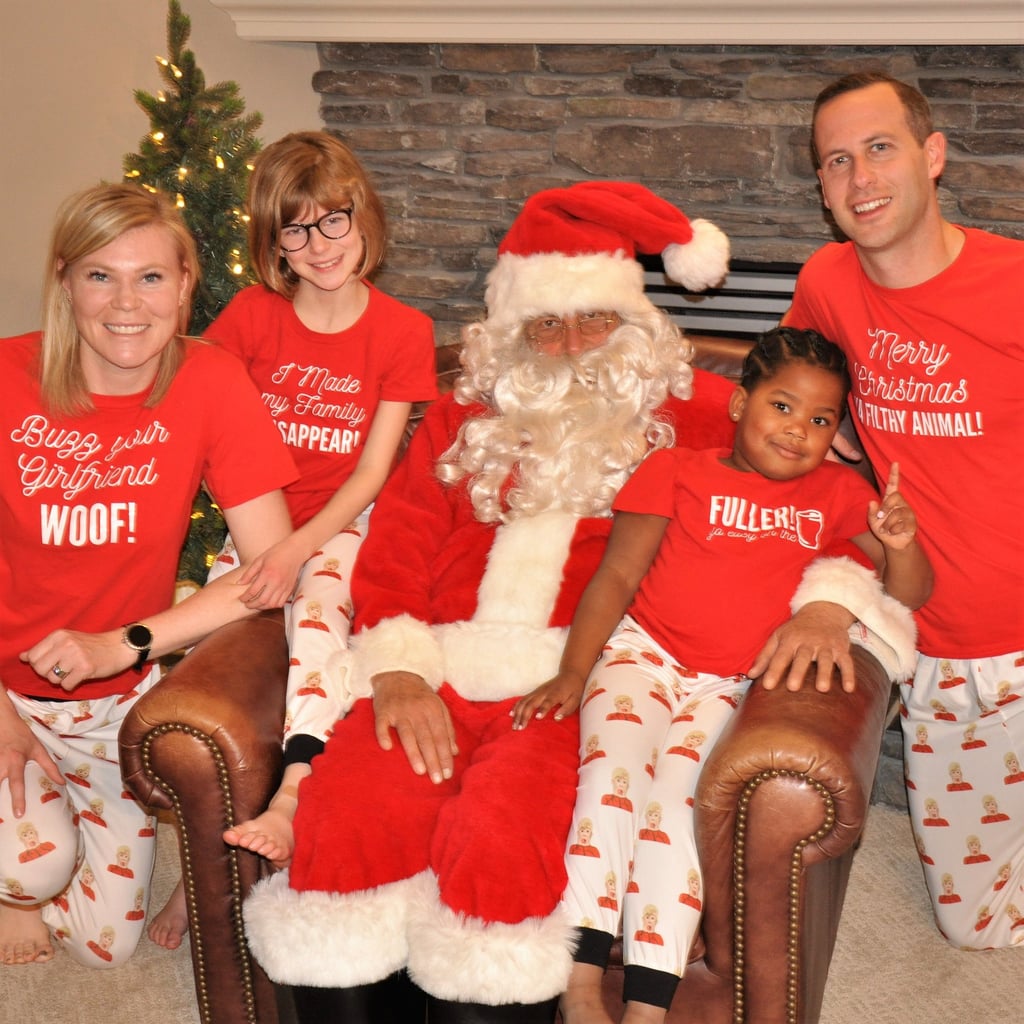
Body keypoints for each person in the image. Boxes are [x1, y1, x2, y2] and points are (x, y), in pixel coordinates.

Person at [241, 181, 738, 1023]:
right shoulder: (460, 419)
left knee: (504, 847)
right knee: (348, 819)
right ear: (510, 332)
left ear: (635, 329)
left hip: (571, 685)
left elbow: (809, 467)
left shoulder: (690, 416)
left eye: (593, 320)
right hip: (432, 666)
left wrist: (835, 596)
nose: (570, 345)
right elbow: (393, 546)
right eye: (544, 325)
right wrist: (397, 671)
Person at [511, 326, 930, 1024]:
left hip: (726, 686)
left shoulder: (835, 492)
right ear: (741, 405)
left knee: (677, 813)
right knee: (611, 788)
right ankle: (581, 982)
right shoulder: (676, 469)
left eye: (821, 420)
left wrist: (900, 543)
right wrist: (574, 671)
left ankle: (648, 1004)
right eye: (783, 406)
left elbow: (910, 593)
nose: (799, 431)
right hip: (642, 658)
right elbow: (616, 574)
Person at [147, 130, 437, 949]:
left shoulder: (403, 330)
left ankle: (296, 787)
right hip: (255, 519)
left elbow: (373, 471)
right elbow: (204, 424)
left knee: (315, 612)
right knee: (197, 664)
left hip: (341, 523)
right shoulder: (250, 318)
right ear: (273, 244)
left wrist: (296, 547)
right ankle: (203, 873)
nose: (318, 247)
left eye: (333, 221)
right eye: (295, 231)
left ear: (363, 216)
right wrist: (260, 543)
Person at [758, 71, 1024, 950]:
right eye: (836, 162)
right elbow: (790, 408)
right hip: (946, 646)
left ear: (933, 155)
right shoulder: (829, 282)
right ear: (824, 190)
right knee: (977, 929)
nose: (860, 178)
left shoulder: (1014, 280)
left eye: (879, 148)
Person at [0, 183, 297, 968]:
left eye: (152, 277)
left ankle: (46, 835)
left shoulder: (210, 380)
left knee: (104, 949)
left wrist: (124, 645)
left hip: (111, 704)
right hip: (3, 692)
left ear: (187, 284)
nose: (126, 303)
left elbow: (272, 568)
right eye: (100, 276)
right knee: (26, 871)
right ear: (64, 280)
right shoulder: (5, 376)